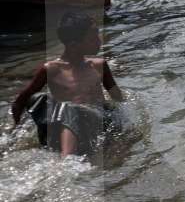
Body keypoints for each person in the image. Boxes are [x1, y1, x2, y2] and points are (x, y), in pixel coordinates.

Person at [11, 11, 124, 157]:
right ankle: (68, 159)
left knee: (73, 109)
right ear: (74, 45)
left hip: (97, 123)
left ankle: (67, 159)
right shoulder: (51, 69)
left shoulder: (99, 66)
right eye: (92, 36)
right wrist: (16, 134)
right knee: (48, 102)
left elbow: (118, 99)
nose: (99, 40)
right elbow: (20, 102)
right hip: (66, 124)